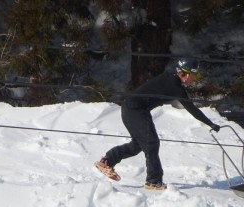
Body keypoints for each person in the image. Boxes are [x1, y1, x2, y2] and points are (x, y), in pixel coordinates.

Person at [94, 57, 220, 190]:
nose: (194, 79)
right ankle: (153, 181)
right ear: (184, 74)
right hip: (135, 110)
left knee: (138, 145)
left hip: (131, 108)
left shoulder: (171, 78)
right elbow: (192, 109)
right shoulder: (175, 86)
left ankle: (107, 161)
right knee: (151, 142)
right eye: (194, 75)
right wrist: (210, 123)